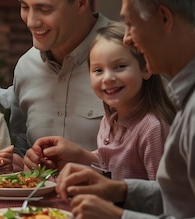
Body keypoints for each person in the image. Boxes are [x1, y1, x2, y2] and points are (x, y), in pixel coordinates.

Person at [57, 0, 195, 219]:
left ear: (164, 19)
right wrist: (120, 190)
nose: (127, 38)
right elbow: (183, 201)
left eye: (132, 24)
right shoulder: (187, 95)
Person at [24, 22, 175, 181]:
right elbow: (112, 164)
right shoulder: (110, 121)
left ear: (146, 69)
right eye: (98, 70)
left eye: (120, 66)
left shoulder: (153, 128)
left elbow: (164, 195)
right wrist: (79, 155)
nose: (108, 78)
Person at [9, 0, 110, 162]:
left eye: (44, 9)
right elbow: (20, 145)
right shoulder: (26, 66)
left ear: (82, 2)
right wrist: (22, 159)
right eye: (24, 7)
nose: (31, 21)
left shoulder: (129, 57)